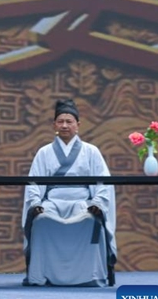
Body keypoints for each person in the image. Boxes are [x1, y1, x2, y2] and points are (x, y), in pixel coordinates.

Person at [22, 99, 116, 287]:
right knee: (40, 221)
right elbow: (34, 183)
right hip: (52, 202)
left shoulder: (91, 151)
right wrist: (35, 204)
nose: (65, 125)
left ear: (78, 125)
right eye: (60, 121)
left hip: (82, 202)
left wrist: (97, 203)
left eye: (69, 121)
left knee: (92, 220)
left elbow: (103, 182)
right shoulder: (44, 152)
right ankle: (40, 275)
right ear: (54, 125)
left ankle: (92, 276)